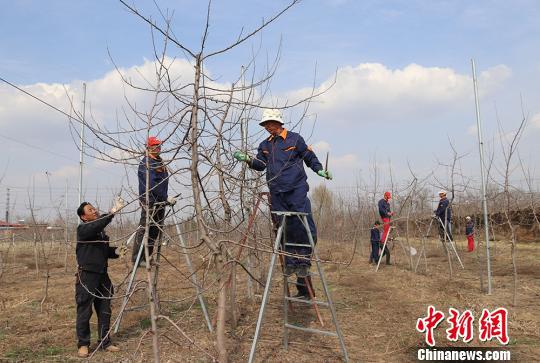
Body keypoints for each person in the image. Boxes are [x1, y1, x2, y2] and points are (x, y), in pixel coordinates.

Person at [233, 108, 331, 299]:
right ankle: (291, 264)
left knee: (305, 229)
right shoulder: (265, 145)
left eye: (271, 123)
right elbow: (260, 165)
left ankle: (303, 264)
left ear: (279, 122)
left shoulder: (295, 139)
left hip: (296, 190)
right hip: (277, 194)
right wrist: (247, 160)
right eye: (265, 125)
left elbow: (309, 157)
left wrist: (319, 170)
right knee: (284, 230)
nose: (268, 127)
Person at [75, 198, 126, 358]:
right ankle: (83, 344)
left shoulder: (100, 233)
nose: (94, 211)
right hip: (87, 276)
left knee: (105, 310)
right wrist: (112, 212)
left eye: (94, 208)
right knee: (84, 310)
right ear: (84, 217)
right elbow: (98, 224)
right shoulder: (83, 230)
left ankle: (105, 341)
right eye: (90, 210)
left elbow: (103, 252)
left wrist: (116, 252)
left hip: (102, 276)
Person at [132, 136, 175, 267]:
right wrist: (165, 197)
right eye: (155, 145)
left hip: (160, 201)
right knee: (145, 229)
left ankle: (147, 257)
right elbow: (151, 184)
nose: (158, 147)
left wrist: (164, 198)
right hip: (150, 201)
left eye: (159, 145)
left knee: (155, 230)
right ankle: (137, 259)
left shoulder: (159, 161)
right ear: (149, 147)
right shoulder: (146, 162)